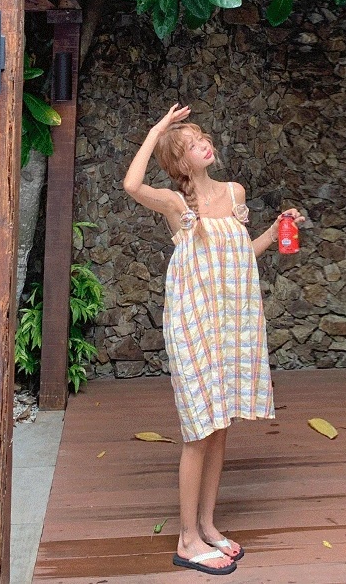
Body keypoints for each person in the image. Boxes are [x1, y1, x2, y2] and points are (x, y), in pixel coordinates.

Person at [123, 103, 304, 576]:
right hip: (193, 323)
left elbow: (240, 254)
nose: (203, 144)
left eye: (202, 138)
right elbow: (131, 185)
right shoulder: (176, 204)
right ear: (180, 162)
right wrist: (159, 129)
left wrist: (275, 230)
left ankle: (206, 525)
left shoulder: (233, 192)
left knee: (221, 426)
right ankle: (187, 540)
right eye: (190, 145)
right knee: (199, 429)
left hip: (231, 322)